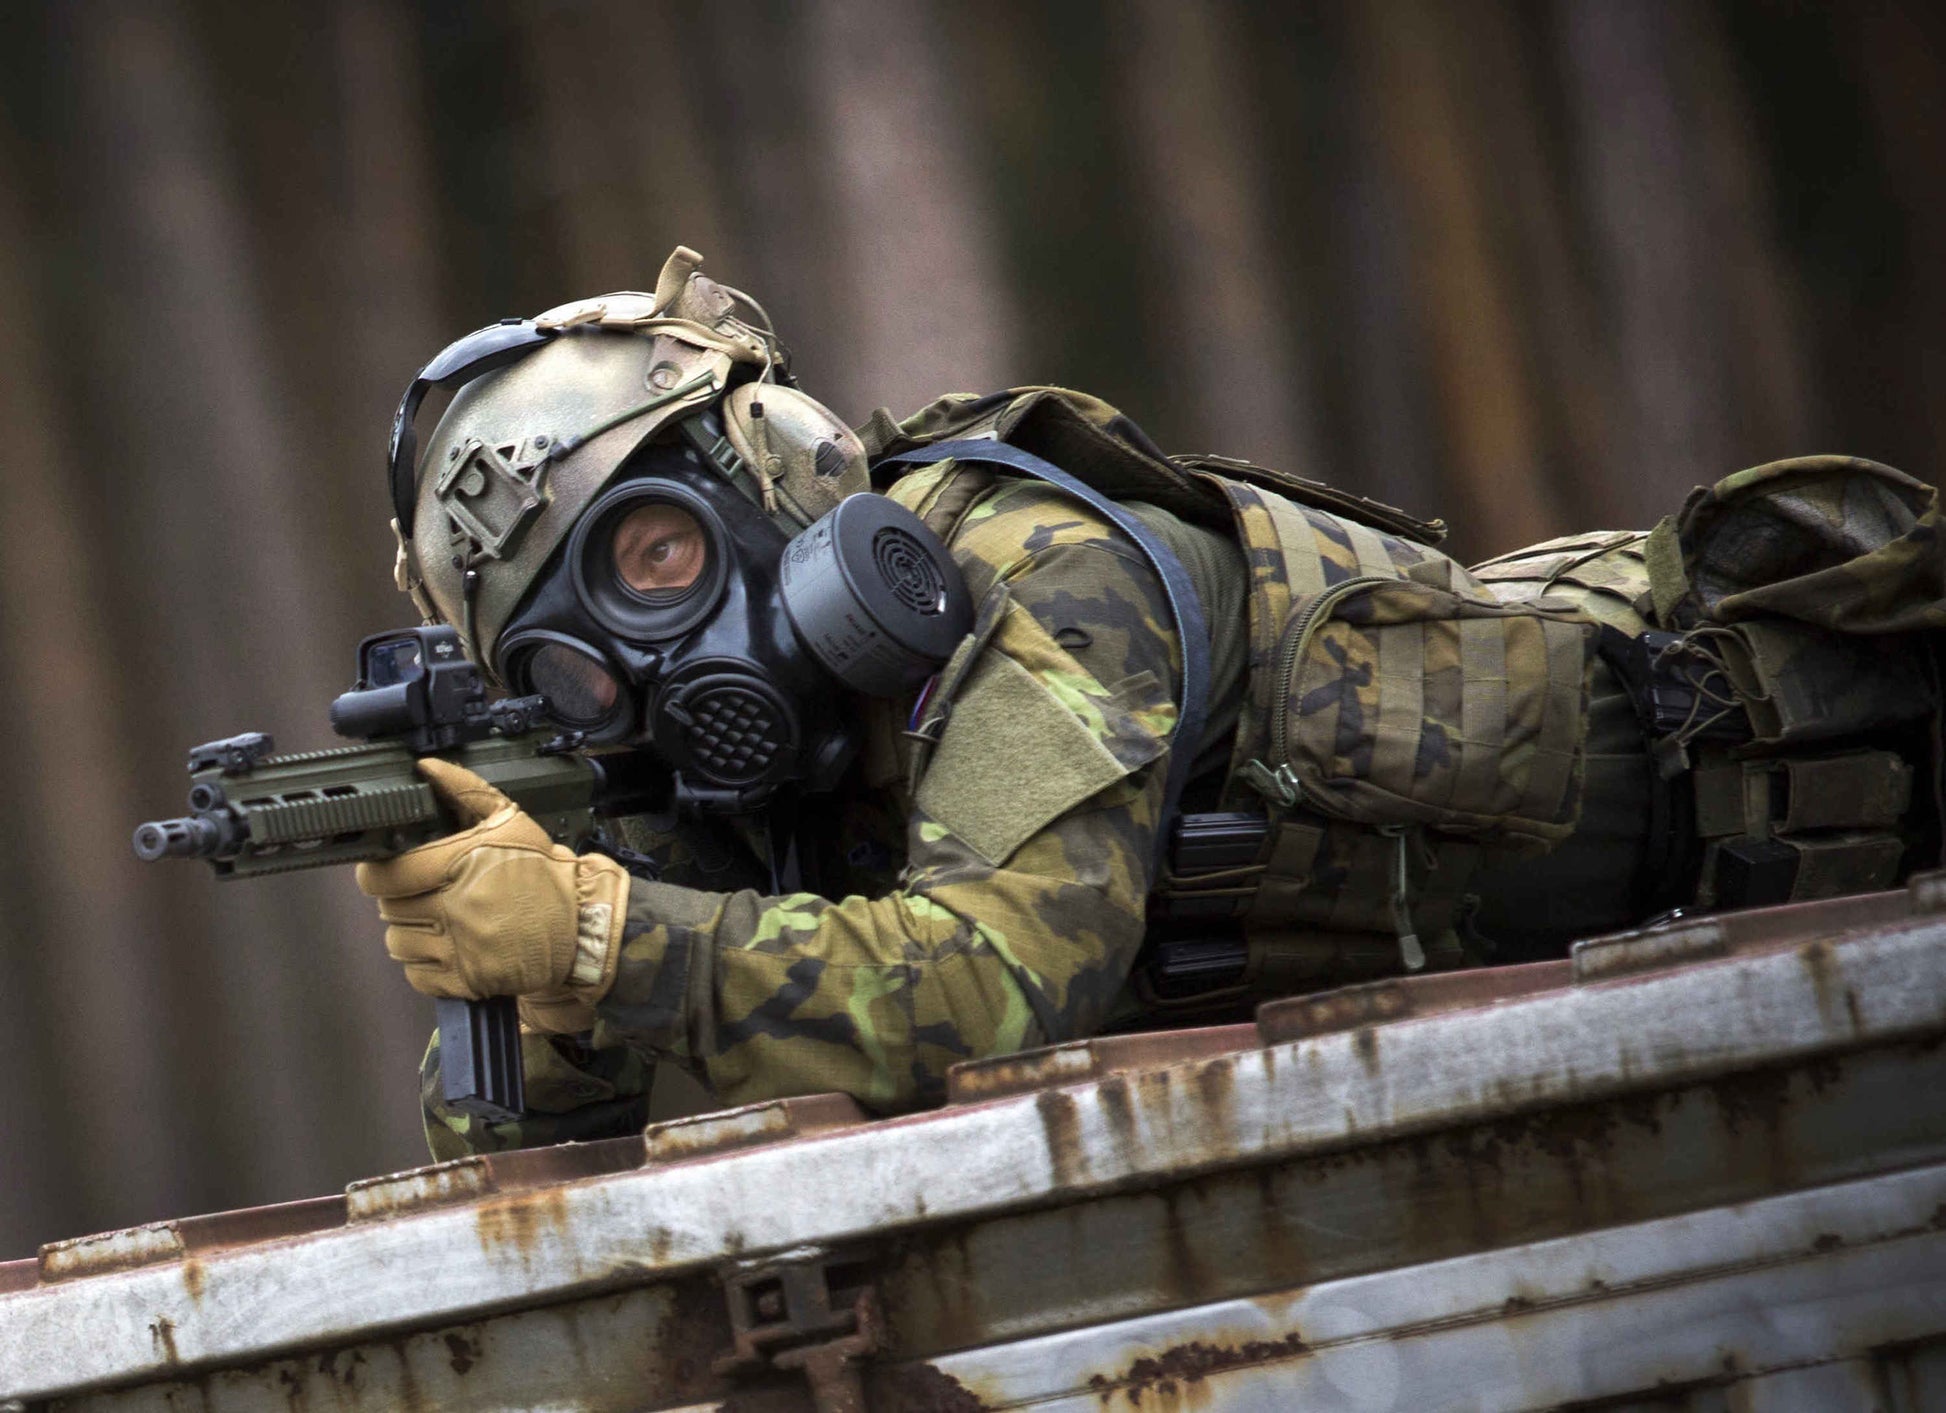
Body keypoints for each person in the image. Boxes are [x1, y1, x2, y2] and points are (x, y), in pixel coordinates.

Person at [363, 247, 1946, 1159]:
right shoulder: (731, 778)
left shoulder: (1033, 563)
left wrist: (597, 935)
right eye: (575, 659)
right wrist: (527, 962)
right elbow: (514, 1172)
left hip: (1826, 763)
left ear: (768, 465)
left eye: (655, 559)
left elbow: (990, 987)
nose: (654, 661)